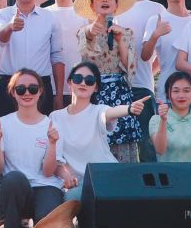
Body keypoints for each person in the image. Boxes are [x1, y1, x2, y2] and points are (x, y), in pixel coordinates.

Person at [84, 0, 167, 117]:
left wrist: (148, 71)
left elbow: (162, 52)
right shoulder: (112, 4)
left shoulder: (157, 9)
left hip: (142, 85)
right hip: (111, 84)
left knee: (144, 135)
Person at [71, 0, 145, 162]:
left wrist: (119, 40)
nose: (105, 0)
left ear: (116, 4)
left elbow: (130, 67)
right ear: (92, 5)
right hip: (93, 92)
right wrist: (91, 31)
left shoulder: (126, 32)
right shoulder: (83, 31)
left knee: (122, 144)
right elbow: (86, 51)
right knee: (95, 140)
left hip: (119, 92)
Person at [0, 68, 64, 228]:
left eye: (33, 88)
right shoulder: (1, 123)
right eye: (21, 89)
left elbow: (48, 172)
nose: (27, 93)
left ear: (41, 91)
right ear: (13, 92)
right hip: (16, 189)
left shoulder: (52, 124)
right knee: (13, 178)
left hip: (45, 186)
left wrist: (52, 144)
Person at [50, 65, 146, 197]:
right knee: (72, 196)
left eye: (89, 80)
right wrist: (67, 176)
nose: (83, 83)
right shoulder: (55, 117)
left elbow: (111, 112)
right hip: (80, 183)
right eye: (78, 78)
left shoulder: (98, 110)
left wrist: (129, 109)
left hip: (107, 176)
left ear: (95, 88)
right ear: (69, 83)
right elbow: (55, 159)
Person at [0, 0, 67, 110]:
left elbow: (57, 56)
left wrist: (58, 95)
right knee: (6, 124)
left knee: (41, 124)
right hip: (9, 84)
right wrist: (10, 27)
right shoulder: (2, 14)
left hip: (40, 86)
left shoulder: (50, 18)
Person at [151, 71, 191, 163]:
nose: (181, 95)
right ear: (168, 94)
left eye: (186, 91)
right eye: (176, 91)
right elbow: (160, 150)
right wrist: (163, 120)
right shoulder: (156, 120)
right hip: (166, 172)